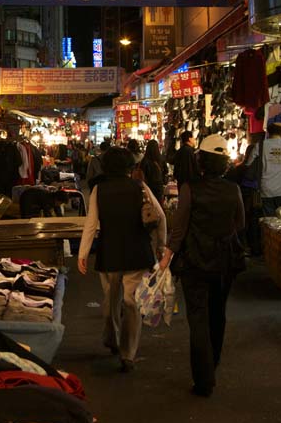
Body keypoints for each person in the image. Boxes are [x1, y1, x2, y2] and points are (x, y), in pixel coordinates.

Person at [159, 134, 245, 397]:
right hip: (225, 261)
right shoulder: (234, 189)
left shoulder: (190, 188)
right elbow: (239, 223)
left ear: (202, 161)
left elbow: (180, 227)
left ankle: (204, 378)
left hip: (195, 260)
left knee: (198, 317)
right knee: (218, 313)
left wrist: (166, 257)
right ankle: (213, 363)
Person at [78, 147, 167, 372]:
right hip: (137, 251)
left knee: (111, 300)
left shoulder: (99, 190)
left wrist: (83, 254)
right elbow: (161, 217)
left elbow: (91, 224)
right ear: (129, 167)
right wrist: (160, 245)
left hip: (110, 253)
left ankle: (113, 340)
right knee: (131, 303)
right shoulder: (140, 187)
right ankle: (128, 353)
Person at [247, 122, 281, 216]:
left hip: (267, 188)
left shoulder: (260, 145)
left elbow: (249, 163)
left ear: (268, 133)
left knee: (269, 221)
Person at [139, 139, 166, 204]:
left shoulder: (144, 160)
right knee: (158, 206)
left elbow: (142, 174)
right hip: (159, 187)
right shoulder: (160, 159)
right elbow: (166, 171)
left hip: (148, 187)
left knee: (149, 207)